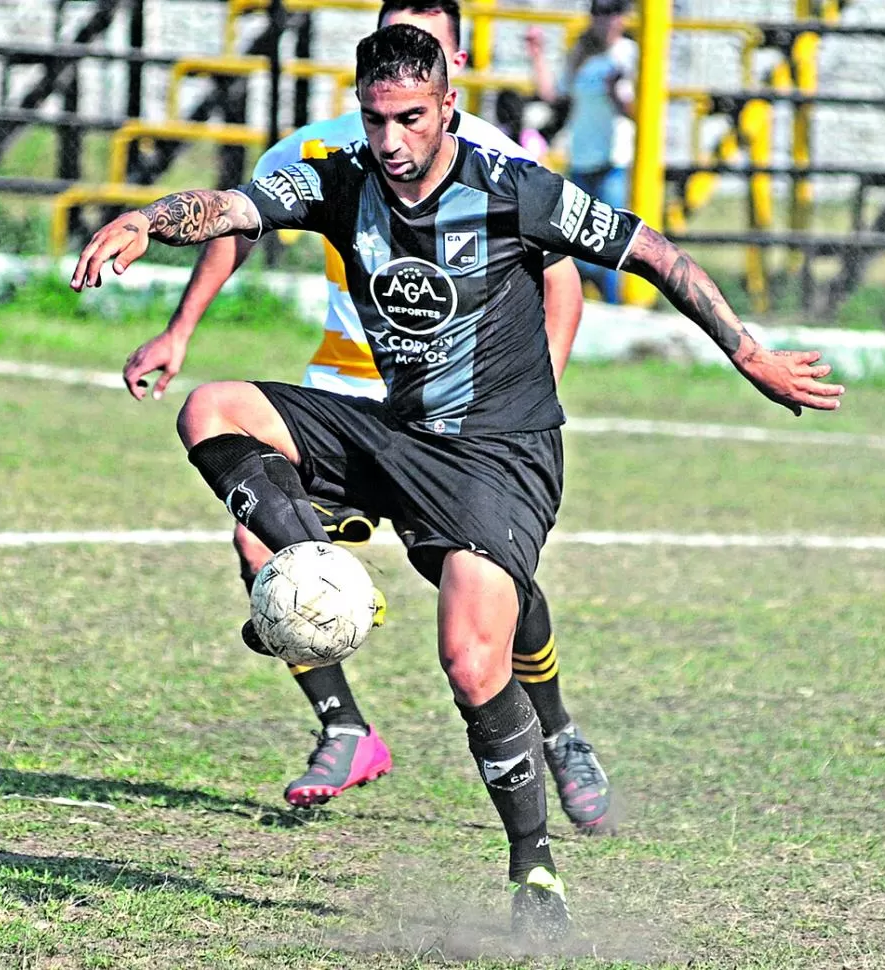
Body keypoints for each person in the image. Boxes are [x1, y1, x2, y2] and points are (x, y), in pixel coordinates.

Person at [70, 24, 844, 940]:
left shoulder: (513, 189)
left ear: (447, 107)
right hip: (394, 434)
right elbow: (230, 208)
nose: (391, 141)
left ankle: (535, 872)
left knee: (474, 663)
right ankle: (321, 571)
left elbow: (658, 254)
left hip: (497, 458)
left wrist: (748, 354)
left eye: (409, 119)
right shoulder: (341, 178)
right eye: (375, 118)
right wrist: (145, 219)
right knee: (213, 408)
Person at [121, 0, 613, 840]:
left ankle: (558, 731)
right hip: (347, 395)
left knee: (493, 596)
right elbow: (240, 219)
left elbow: (561, 277)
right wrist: (180, 328)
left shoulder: (497, 160)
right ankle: (345, 728)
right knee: (261, 543)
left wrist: (524, 401)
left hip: (469, 421)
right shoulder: (330, 148)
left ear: (452, 62)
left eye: (433, 39)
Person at [526, 0, 637, 303]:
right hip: (582, 159)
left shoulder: (631, 53)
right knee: (576, 245)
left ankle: (618, 311)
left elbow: (641, 113)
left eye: (611, 12)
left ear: (623, 17)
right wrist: (537, 54)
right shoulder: (581, 52)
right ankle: (581, 307)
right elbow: (555, 95)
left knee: (616, 244)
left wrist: (616, 94)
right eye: (598, 12)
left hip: (615, 161)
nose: (604, 19)